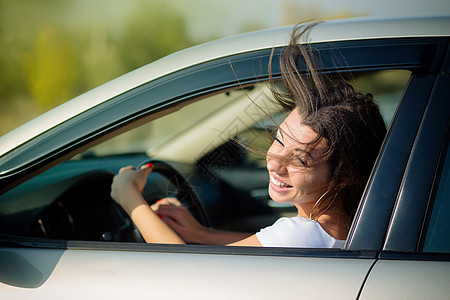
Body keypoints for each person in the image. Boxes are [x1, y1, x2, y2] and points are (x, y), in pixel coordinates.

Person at [110, 24, 387, 248]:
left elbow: (188, 273)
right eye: (278, 140)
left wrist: (130, 199)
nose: (274, 163)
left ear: (344, 175)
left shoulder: (300, 235)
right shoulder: (346, 225)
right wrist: (201, 235)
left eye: (300, 160)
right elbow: (267, 247)